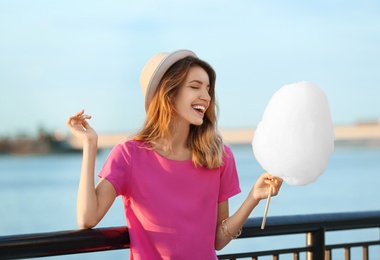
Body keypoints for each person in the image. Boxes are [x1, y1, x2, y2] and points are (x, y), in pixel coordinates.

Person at [66, 49, 282, 259]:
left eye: (208, 89)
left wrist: (254, 197)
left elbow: (218, 241)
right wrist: (90, 144)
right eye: (195, 87)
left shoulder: (218, 156)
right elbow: (87, 218)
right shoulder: (129, 155)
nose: (206, 97)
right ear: (169, 93)